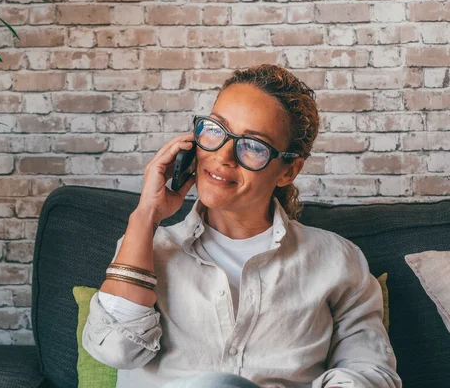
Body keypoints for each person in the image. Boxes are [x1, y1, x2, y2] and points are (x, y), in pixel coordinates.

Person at [82, 64, 402, 388]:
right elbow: (115, 349)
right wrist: (145, 215)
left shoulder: (336, 260)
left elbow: (371, 374)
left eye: (252, 145)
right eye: (215, 129)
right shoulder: (146, 248)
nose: (223, 155)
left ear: (288, 171)